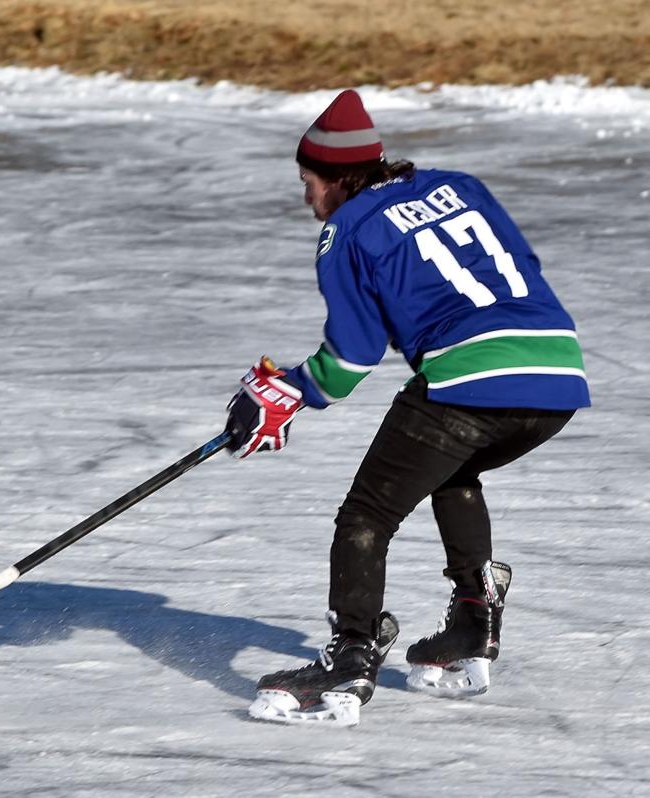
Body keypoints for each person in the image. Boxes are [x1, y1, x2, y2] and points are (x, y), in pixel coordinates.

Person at [224, 89, 589, 726]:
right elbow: (520, 268)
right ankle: (474, 623)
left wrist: (284, 391)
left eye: (308, 182)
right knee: (451, 470)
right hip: (558, 375)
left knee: (367, 514)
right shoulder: (459, 184)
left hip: (471, 383)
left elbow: (350, 362)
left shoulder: (348, 230)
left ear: (337, 179)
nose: (307, 198)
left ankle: (350, 659)